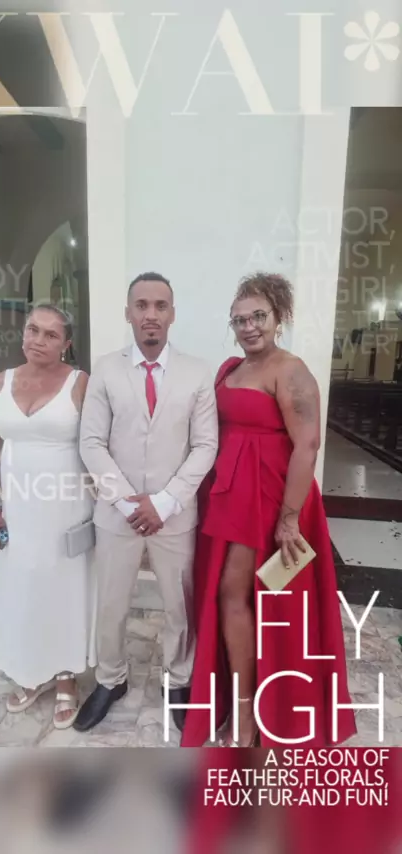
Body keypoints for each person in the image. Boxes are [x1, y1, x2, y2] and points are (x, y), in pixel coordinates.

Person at [181, 272, 357, 747]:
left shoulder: (290, 370)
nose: (249, 326)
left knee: (252, 598)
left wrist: (289, 518)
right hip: (230, 495)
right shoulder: (231, 369)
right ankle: (242, 702)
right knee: (231, 595)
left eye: (258, 316)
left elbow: (308, 445)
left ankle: (253, 711)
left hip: (273, 497)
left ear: (279, 316)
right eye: (239, 320)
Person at [73, 272, 218, 733]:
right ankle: (110, 679)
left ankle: (178, 679)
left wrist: (165, 501)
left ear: (172, 314)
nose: (150, 314)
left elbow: (206, 445)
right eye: (141, 305)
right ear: (128, 313)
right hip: (116, 515)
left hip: (174, 515)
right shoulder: (105, 369)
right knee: (112, 603)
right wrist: (125, 502)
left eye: (160, 305)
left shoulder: (198, 372)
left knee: (178, 605)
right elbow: (91, 442)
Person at [0, 303, 97, 730]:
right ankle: (29, 671)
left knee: (63, 587)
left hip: (67, 506)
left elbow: (98, 445)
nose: (38, 340)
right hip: (18, 508)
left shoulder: (80, 383)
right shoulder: (1, 382)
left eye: (50, 334)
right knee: (22, 585)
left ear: (66, 344)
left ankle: (65, 676)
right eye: (32, 330)